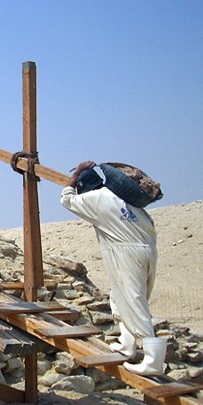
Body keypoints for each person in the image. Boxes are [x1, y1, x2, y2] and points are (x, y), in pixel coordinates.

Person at [60, 160, 166, 375]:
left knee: (133, 299)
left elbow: (67, 200)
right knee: (120, 297)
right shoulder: (129, 203)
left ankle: (153, 359)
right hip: (147, 251)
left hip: (126, 253)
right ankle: (127, 345)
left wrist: (76, 174)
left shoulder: (98, 198)